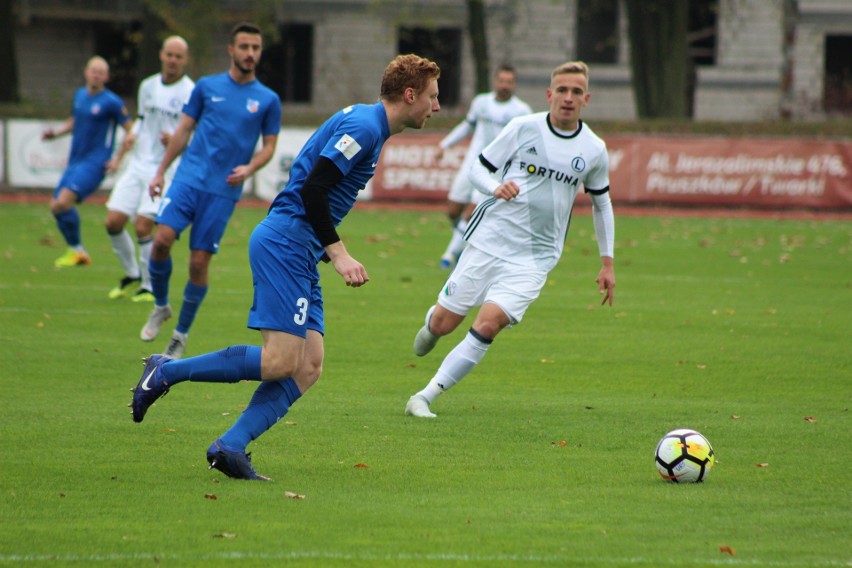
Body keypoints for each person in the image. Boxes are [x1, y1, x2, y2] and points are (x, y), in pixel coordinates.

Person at [129, 53, 441, 481]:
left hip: (298, 247)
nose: (436, 106)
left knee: (308, 365)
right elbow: (314, 190)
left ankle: (231, 445)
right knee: (279, 361)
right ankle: (165, 370)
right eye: (432, 96)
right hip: (288, 242)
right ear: (410, 95)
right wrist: (339, 253)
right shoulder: (365, 128)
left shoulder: (370, 124)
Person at [405, 61, 615, 419]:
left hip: (534, 259)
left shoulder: (594, 149)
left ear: (587, 99)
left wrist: (607, 261)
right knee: (443, 325)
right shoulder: (522, 128)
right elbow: (478, 168)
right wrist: (495, 187)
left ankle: (423, 397)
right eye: (561, 90)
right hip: (489, 241)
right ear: (549, 94)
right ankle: (432, 323)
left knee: (488, 324)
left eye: (576, 92)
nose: (568, 98)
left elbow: (602, 203)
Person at [139, 22, 281, 359]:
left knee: (199, 263)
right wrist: (160, 172)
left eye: (255, 48)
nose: (250, 54)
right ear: (231, 50)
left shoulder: (267, 99)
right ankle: (160, 305)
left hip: (222, 191)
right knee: (160, 241)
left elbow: (270, 146)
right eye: (244, 47)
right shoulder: (206, 87)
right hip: (188, 178)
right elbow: (183, 129)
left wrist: (250, 167)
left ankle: (180, 335)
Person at [104, 36, 194, 302]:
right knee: (113, 222)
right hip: (138, 163)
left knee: (144, 225)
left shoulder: (191, 91)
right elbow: (143, 119)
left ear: (185, 60)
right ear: (161, 55)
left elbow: (196, 132)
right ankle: (133, 274)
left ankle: (150, 285)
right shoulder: (148, 86)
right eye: (170, 55)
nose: (173, 60)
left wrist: (179, 140)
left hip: (165, 168)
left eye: (179, 56)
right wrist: (133, 135)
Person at [436, 65, 531, 269]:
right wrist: (445, 144)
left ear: (514, 84)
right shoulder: (481, 102)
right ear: (495, 81)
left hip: (496, 172)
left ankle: (449, 254)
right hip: (473, 164)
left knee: (470, 214)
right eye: (502, 80)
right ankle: (463, 244)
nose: (505, 85)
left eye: (509, 82)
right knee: (453, 211)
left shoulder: (522, 111)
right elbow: (467, 126)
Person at [43, 56, 132, 267]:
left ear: (107, 77)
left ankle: (78, 251)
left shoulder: (112, 102)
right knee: (55, 207)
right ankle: (77, 251)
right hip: (75, 161)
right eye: (94, 71)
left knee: (63, 202)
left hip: (95, 163)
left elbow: (130, 132)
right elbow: (75, 121)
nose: (97, 75)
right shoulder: (80, 96)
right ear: (86, 72)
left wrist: (117, 159)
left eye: (101, 72)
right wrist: (55, 133)